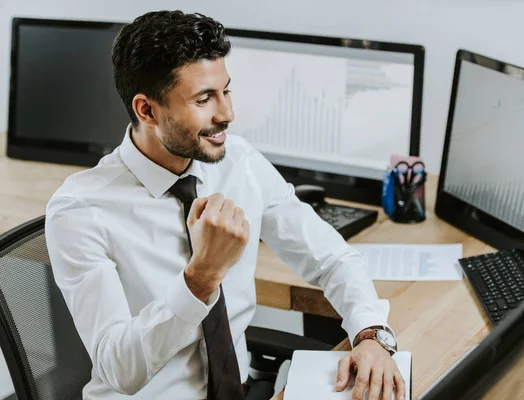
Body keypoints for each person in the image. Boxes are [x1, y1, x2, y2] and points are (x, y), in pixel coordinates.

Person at [45, 10, 405, 400]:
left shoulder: (240, 163)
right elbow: (119, 370)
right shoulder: (80, 209)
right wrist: (200, 278)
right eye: (204, 99)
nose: (227, 114)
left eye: (226, 91)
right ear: (146, 110)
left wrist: (370, 333)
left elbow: (331, 258)